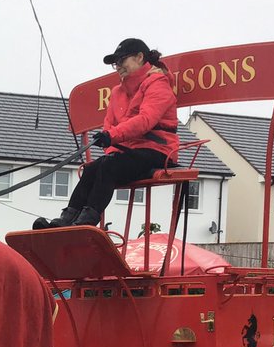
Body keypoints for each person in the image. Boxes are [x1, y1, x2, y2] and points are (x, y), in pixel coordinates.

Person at [36, 37, 180, 229]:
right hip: (129, 152)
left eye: (122, 60)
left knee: (108, 167)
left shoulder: (157, 83)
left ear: (139, 57)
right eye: (116, 63)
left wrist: (112, 138)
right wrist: (110, 147)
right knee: (93, 168)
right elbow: (109, 126)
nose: (118, 66)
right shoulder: (117, 92)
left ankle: (86, 222)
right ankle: (67, 220)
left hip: (157, 151)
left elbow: (145, 120)